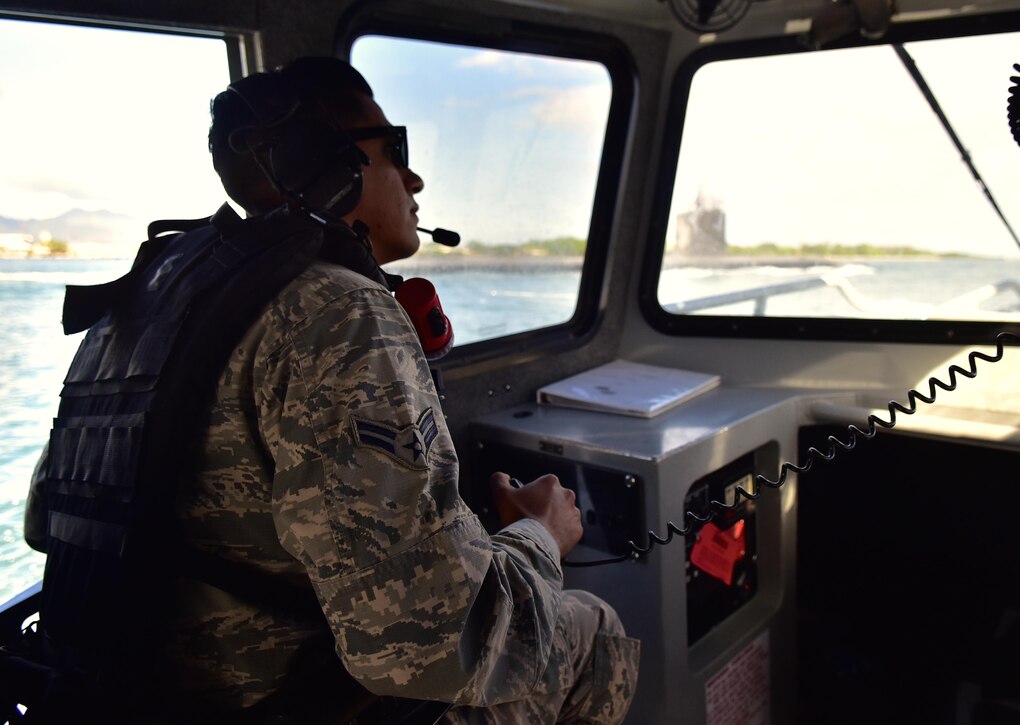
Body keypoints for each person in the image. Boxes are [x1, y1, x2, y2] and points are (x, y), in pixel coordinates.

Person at [23, 56, 638, 723]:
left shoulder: (140, 300)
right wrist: (541, 535)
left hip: (110, 697)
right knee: (593, 630)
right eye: (393, 149)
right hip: (290, 708)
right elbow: (434, 646)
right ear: (319, 160)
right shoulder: (337, 309)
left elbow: (44, 520)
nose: (415, 177)